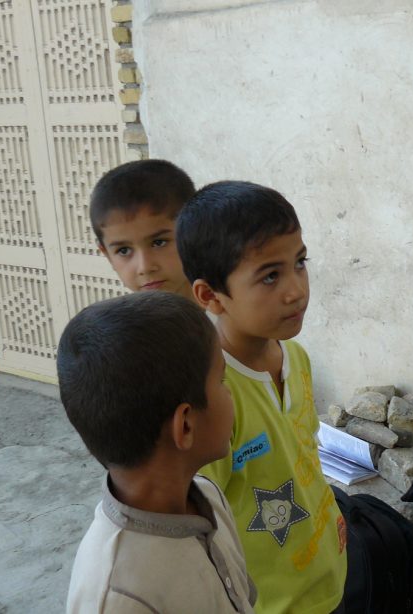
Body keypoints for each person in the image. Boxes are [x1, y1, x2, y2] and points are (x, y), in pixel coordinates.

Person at [176, 181, 348, 613]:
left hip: (327, 578)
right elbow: (202, 519)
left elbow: (304, 451)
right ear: (210, 296)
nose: (296, 290)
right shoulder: (213, 398)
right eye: (270, 275)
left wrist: (331, 515)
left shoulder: (297, 358)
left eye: (300, 263)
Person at [59, 291, 256, 613]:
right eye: (221, 380)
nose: (230, 392)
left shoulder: (208, 497)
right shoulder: (117, 597)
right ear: (186, 426)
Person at [90, 159, 196, 299]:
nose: (144, 267)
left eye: (159, 243)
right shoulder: (114, 321)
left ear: (195, 233)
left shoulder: (229, 314)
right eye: (124, 250)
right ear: (107, 255)